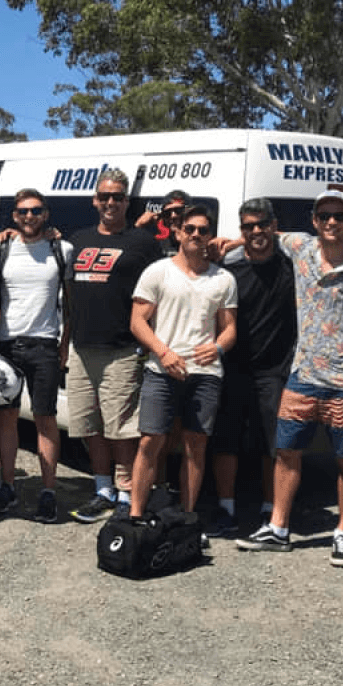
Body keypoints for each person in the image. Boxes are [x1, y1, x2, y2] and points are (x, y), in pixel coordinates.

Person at [236, 190, 343, 568]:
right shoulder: (301, 248)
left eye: (339, 216)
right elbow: (262, 235)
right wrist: (223, 242)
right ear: (314, 220)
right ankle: (278, 527)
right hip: (302, 376)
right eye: (324, 216)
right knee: (287, 454)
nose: (331, 223)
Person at [65, 169, 163, 523]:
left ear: (126, 201)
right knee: (87, 425)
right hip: (81, 347)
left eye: (117, 197)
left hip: (122, 349)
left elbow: (160, 292)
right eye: (104, 196)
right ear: (95, 200)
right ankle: (102, 490)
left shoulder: (142, 243)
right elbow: (69, 294)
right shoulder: (78, 240)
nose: (110, 202)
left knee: (120, 428)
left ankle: (125, 493)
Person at [128, 204, 238, 519]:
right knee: (150, 442)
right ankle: (136, 516)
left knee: (195, 447)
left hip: (205, 373)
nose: (196, 235)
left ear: (210, 236)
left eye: (203, 230)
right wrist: (162, 352)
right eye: (190, 229)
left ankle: (187, 516)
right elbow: (137, 321)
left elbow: (230, 328)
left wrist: (217, 348)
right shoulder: (157, 271)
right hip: (161, 370)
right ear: (178, 232)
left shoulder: (223, 280)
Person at [204, 198, 296, 538]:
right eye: (248, 226)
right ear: (240, 228)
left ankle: (269, 510)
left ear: (274, 225)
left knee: (271, 444)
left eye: (262, 224)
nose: (256, 231)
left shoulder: (291, 267)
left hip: (274, 370)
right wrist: (238, 244)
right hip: (232, 367)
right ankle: (226, 508)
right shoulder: (229, 271)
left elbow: (325, 245)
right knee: (225, 441)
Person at [0, 189, 72, 522]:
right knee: (7, 419)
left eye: (36, 210)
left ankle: (48, 491)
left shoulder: (62, 249)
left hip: (45, 344)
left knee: (45, 419)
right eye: (22, 211)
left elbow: (71, 303)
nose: (29, 216)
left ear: (46, 214)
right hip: (8, 344)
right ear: (13, 216)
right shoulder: (1, 249)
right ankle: (8, 486)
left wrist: (65, 343)